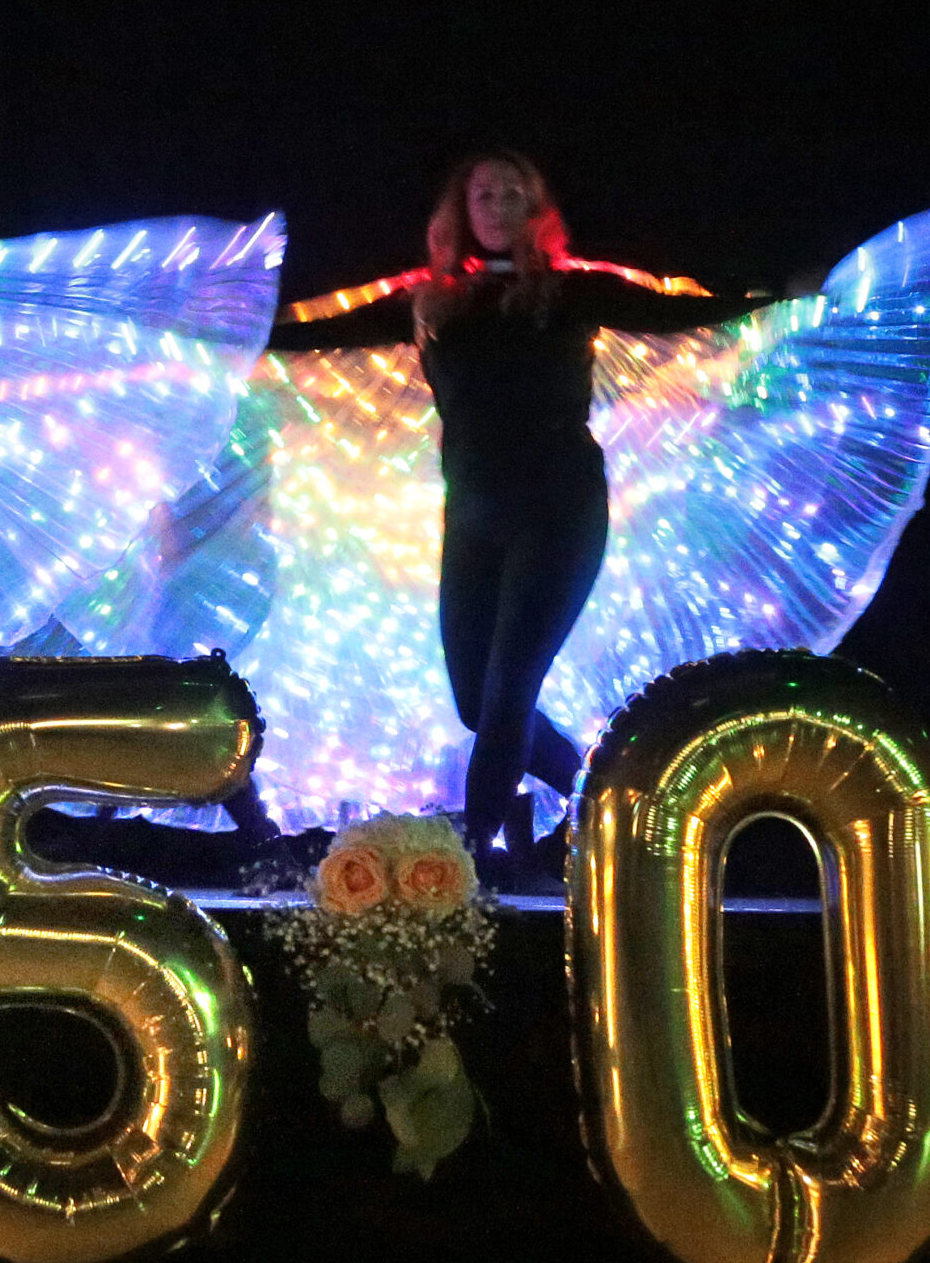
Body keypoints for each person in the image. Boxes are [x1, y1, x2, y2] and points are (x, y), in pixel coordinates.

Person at [266, 152, 754, 871]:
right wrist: (223, 326)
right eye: (483, 195)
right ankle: (609, 799)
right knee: (477, 702)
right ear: (462, 211)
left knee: (506, 699)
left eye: (511, 194)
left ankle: (462, 868)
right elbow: (317, 329)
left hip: (559, 511)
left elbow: (680, 311)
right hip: (474, 516)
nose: (496, 206)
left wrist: (781, 295)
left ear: (534, 207)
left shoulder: (571, 290)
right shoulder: (432, 300)